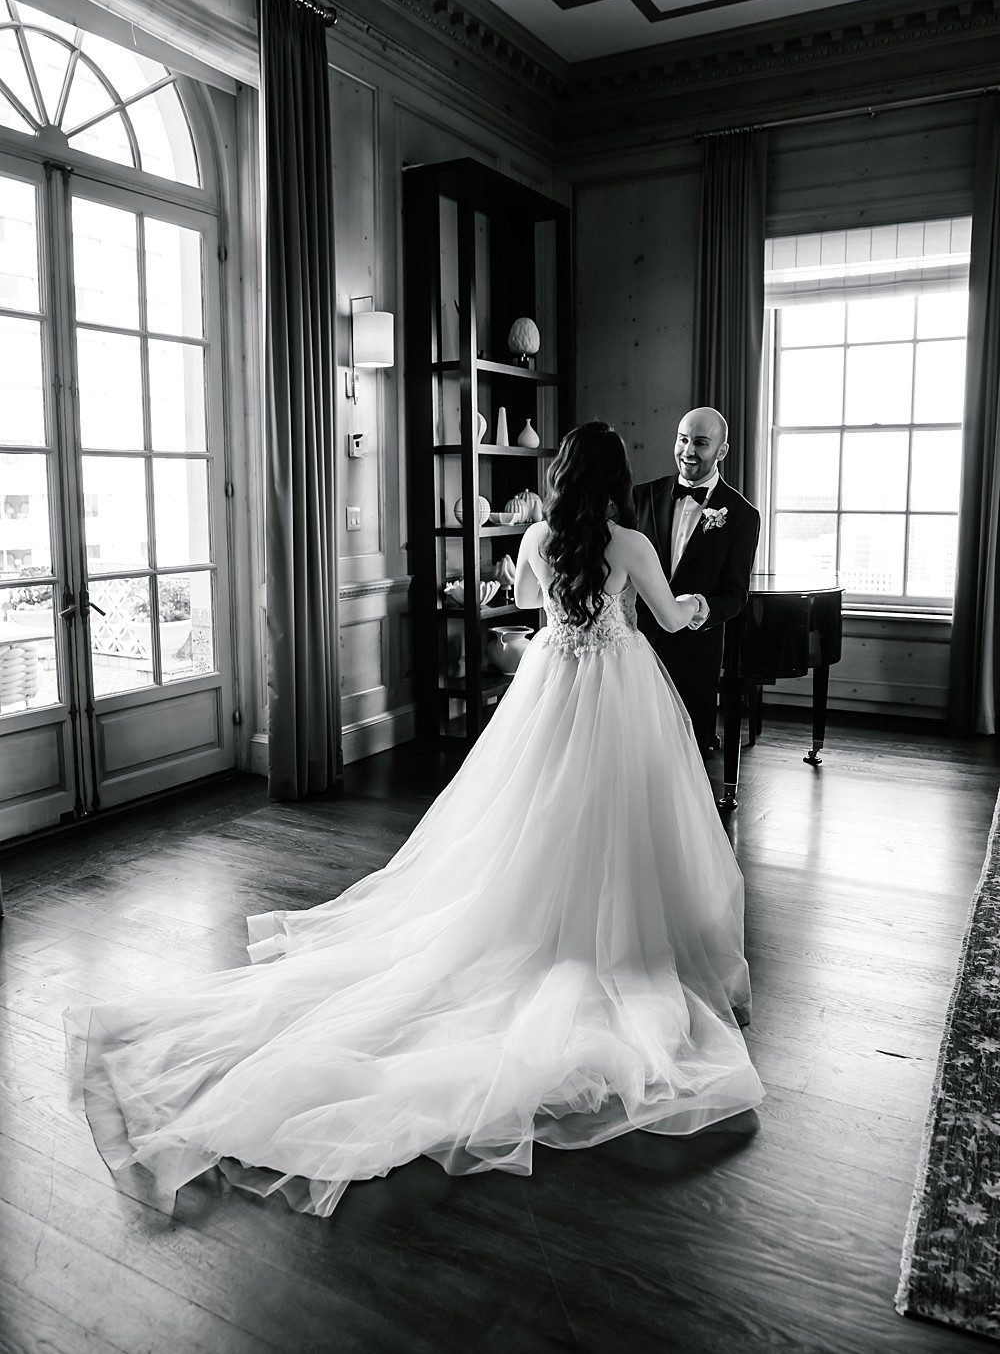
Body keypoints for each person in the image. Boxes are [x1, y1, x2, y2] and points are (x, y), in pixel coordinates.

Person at [65, 421, 763, 1220]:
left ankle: (544, 930)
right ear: (616, 475)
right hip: (616, 691)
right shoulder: (631, 542)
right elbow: (670, 621)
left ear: (561, 473)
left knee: (528, 826)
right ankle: (611, 941)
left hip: (553, 688)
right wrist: (704, 602)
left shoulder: (537, 535)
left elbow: (533, 607)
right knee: (621, 830)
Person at [634, 408, 760, 755]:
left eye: (701, 443)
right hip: (635, 647)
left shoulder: (742, 515)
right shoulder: (639, 497)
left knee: (688, 755)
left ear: (721, 451)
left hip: (695, 655)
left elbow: (735, 595)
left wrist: (699, 608)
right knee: (632, 751)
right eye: (683, 439)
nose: (688, 451)